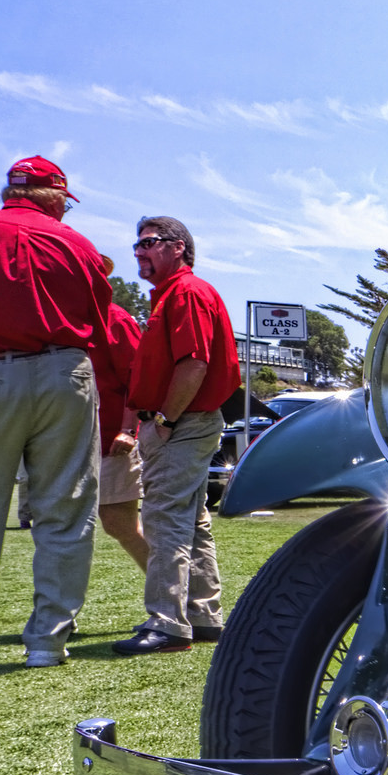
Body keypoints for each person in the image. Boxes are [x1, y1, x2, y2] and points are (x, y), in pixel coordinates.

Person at [0, 156, 130, 670]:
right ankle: (47, 642)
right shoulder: (77, 244)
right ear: (53, 194)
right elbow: (101, 321)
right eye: (64, 201)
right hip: (65, 374)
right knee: (67, 511)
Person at [113, 217, 239, 656]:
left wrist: (164, 419)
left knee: (166, 519)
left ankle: (167, 624)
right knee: (193, 521)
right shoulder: (171, 296)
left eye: (149, 242)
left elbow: (194, 364)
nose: (139, 252)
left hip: (181, 424)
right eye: (137, 244)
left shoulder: (185, 292)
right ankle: (202, 616)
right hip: (183, 423)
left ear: (178, 247)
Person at [95, 294, 149, 570]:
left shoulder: (114, 318)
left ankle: (175, 598)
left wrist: (128, 429)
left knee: (119, 523)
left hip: (110, 441)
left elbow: (137, 377)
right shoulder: (61, 314)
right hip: (69, 439)